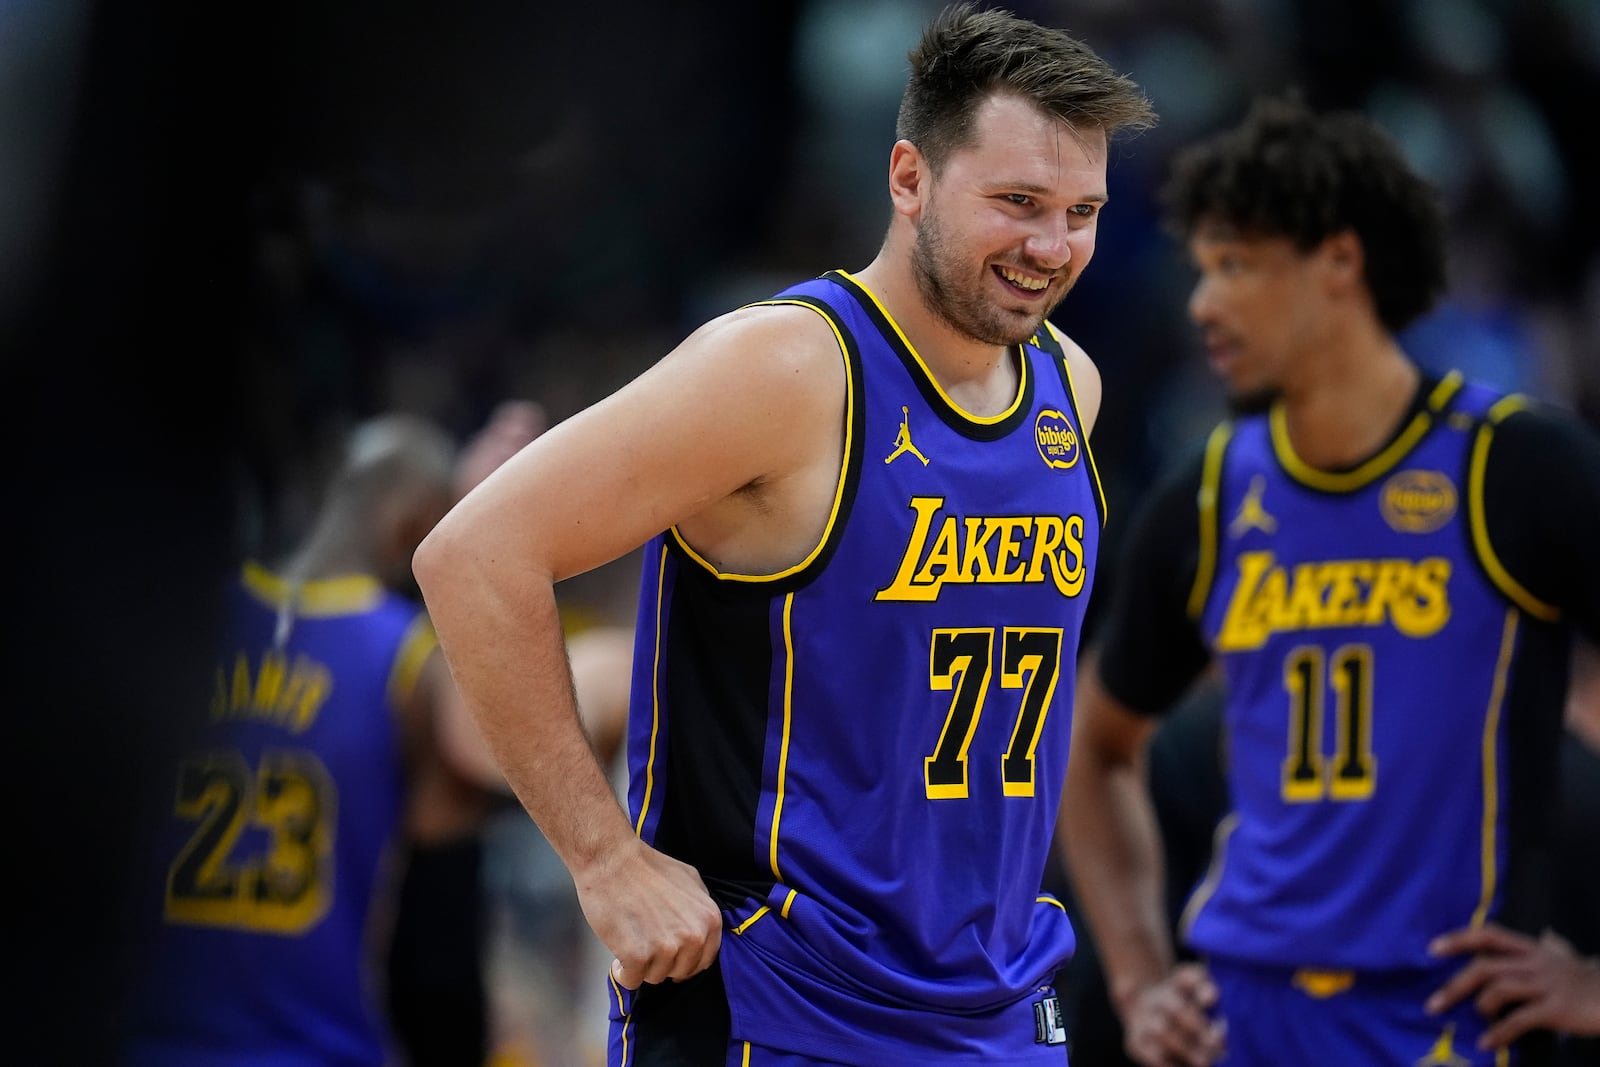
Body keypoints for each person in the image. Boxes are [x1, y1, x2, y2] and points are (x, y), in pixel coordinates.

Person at [413, 5, 1156, 1064]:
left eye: (1081, 211)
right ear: (909, 179)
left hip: (994, 1004)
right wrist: (604, 857)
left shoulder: (1065, 387)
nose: (1051, 246)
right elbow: (473, 554)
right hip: (782, 1000)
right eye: (1017, 203)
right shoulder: (787, 369)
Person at [1057, 94, 1600, 1067]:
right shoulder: (1212, 492)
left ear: (1339, 263)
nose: (1202, 303)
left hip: (1456, 1012)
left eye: (1236, 266)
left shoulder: (1514, 466)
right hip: (1248, 1011)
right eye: (1201, 269)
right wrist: (1139, 975)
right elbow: (1089, 745)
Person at [120, 402, 542, 1067]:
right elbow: (439, 952)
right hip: (316, 1047)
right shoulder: (409, 661)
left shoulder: (194, 619)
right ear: (412, 526)